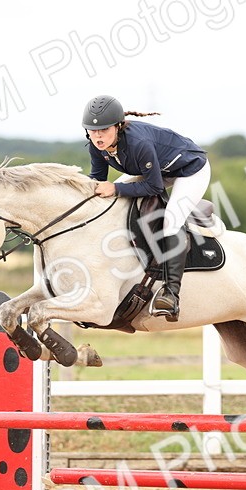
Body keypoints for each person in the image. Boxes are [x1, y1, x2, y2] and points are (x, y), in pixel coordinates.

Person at [82, 95, 210, 322]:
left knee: (171, 219)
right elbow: (98, 185)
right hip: (158, 170)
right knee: (113, 200)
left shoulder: (138, 143)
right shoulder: (97, 147)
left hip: (190, 169)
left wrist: (117, 189)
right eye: (93, 131)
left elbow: (153, 186)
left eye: (103, 130)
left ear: (118, 126)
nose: (98, 136)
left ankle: (171, 294)